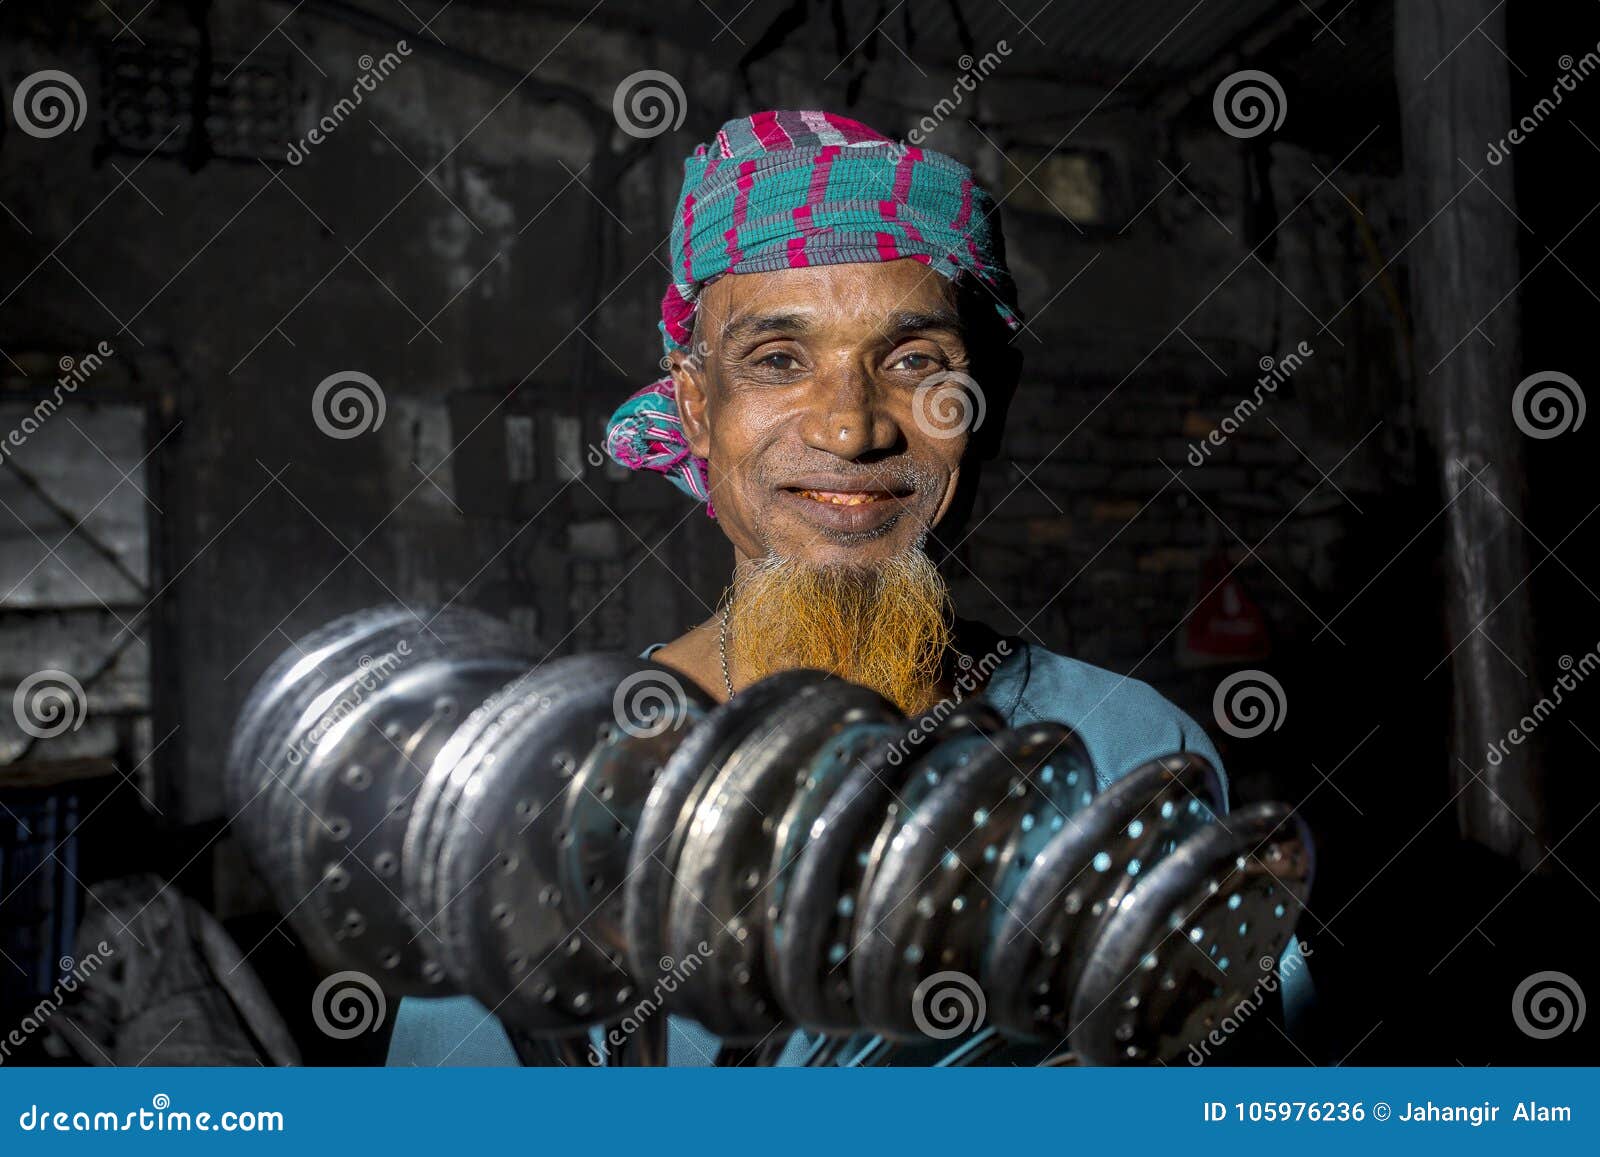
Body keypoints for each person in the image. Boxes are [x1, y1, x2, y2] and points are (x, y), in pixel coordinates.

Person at [386, 108, 1313, 1066]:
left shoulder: (1132, 751)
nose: (851, 429)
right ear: (698, 408)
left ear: (984, 404)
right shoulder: (537, 799)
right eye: (779, 360)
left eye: (915, 360)